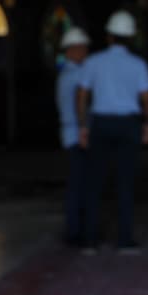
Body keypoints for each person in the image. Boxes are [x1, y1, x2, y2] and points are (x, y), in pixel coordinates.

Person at [77, 10, 148, 253]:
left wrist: (82, 125)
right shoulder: (138, 64)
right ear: (130, 38)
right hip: (128, 125)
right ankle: (124, 240)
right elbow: (147, 98)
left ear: (109, 36)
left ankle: (90, 240)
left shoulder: (93, 62)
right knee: (125, 183)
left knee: (95, 182)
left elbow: (82, 96)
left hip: (100, 123)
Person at [54, 26, 91, 248]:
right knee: (79, 185)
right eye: (83, 49)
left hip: (71, 133)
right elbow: (80, 105)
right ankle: (75, 232)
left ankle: (75, 229)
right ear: (73, 50)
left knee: (77, 184)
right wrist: (84, 128)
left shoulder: (65, 74)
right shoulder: (76, 75)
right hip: (78, 135)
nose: (86, 53)